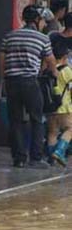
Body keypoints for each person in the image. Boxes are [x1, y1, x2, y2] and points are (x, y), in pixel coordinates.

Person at [0, 5, 59, 168]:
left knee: (16, 120)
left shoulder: (10, 36)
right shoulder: (42, 38)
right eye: (42, 21)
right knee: (37, 119)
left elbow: (2, 60)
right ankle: (35, 158)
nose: (43, 24)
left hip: (11, 81)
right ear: (37, 20)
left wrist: (4, 78)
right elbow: (51, 60)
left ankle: (19, 158)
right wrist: (54, 74)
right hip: (30, 83)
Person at [47, 38, 72, 166]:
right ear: (64, 56)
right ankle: (59, 151)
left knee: (52, 133)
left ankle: (51, 159)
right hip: (64, 108)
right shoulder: (67, 70)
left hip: (51, 108)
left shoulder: (48, 69)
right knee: (70, 129)